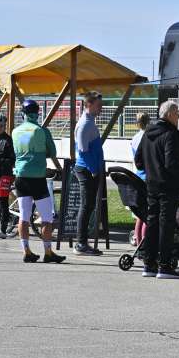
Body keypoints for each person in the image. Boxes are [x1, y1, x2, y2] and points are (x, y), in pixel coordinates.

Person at [134, 100, 179, 279]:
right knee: (166, 224)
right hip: (167, 185)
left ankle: (149, 263)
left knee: (152, 222)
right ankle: (164, 265)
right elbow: (171, 163)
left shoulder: (148, 132)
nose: (178, 116)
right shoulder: (171, 134)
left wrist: (151, 168)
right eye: (177, 113)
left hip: (151, 184)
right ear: (170, 114)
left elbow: (138, 161)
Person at [12, 99, 65, 264]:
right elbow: (52, 152)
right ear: (37, 113)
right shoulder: (41, 130)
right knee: (47, 217)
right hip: (38, 178)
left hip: (21, 177)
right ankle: (48, 251)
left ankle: (26, 250)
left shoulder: (15, 131)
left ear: (23, 113)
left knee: (24, 216)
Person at [73, 91, 104, 256]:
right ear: (89, 105)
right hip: (86, 170)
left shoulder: (89, 122)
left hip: (90, 169)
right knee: (86, 206)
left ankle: (83, 242)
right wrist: (93, 170)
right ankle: (81, 244)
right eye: (99, 105)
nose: (101, 108)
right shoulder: (85, 124)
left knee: (89, 206)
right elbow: (83, 150)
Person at [130, 111, 150, 245]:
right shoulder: (148, 137)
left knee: (140, 214)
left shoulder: (134, 138)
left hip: (137, 174)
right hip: (148, 176)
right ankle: (145, 241)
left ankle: (137, 239)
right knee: (149, 213)